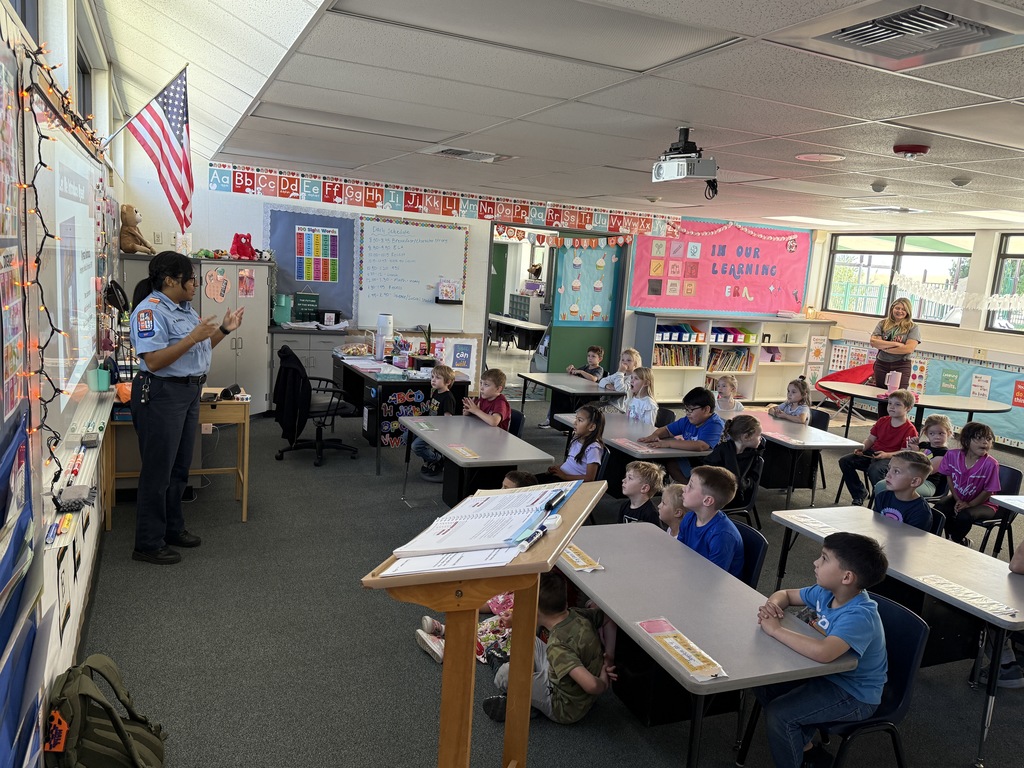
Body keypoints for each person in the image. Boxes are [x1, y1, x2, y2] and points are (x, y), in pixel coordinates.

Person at [128, 251, 245, 565]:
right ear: (170, 280)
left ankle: (172, 528)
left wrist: (223, 330)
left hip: (189, 393)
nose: (196, 283)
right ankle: (148, 542)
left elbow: (198, 349)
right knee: (158, 472)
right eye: (191, 278)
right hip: (162, 395)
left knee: (180, 468)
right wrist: (192, 337)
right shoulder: (150, 312)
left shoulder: (185, 310)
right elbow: (153, 360)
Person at [754, 532, 889, 768]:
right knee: (760, 680)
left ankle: (796, 752)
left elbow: (824, 653)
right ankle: (805, 748)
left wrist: (775, 630)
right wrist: (772, 608)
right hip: (822, 674)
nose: (815, 562)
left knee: (780, 716)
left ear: (846, 577)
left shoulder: (859, 615)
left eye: (824, 558)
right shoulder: (827, 591)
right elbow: (785, 594)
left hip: (855, 693)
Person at [483, 571, 615, 723]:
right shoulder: (577, 614)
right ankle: (527, 699)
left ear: (534, 610)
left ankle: (526, 705)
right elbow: (609, 618)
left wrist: (603, 683)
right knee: (526, 635)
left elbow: (591, 685)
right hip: (569, 682)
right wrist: (609, 657)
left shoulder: (557, 647)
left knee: (504, 676)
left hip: (564, 706)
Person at [838, 389, 917, 506]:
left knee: (875, 470)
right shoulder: (882, 421)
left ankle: (883, 501)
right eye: (890, 403)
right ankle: (859, 493)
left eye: (897, 404)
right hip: (873, 453)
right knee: (845, 461)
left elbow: (904, 453)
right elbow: (870, 439)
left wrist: (886, 455)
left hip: (892, 458)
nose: (892, 407)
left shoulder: (910, 429)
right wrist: (862, 448)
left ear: (908, 408)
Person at [932, 421, 1001, 546]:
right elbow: (949, 477)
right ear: (966, 440)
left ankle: (955, 542)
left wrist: (969, 504)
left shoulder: (991, 464)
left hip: (984, 504)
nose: (985, 442)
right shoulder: (952, 455)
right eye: (979, 438)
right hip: (960, 498)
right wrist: (958, 499)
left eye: (989, 439)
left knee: (964, 516)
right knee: (940, 509)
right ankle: (951, 540)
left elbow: (988, 491)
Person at [638, 386, 724, 484]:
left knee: (671, 462)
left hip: (709, 465)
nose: (687, 413)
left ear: (706, 409)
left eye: (691, 410)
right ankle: (686, 488)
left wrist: (669, 443)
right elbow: (667, 430)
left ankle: (689, 488)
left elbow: (701, 445)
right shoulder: (688, 420)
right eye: (686, 409)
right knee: (666, 461)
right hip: (692, 458)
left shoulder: (714, 424)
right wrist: (655, 435)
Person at [676, 465, 744, 578]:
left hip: (717, 588)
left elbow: (713, 578)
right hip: (693, 574)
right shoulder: (689, 517)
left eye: (691, 486)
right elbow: (680, 552)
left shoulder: (722, 536)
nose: (684, 488)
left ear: (707, 500)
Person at [875, 413, 950, 498]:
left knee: (891, 487)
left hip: (928, 483)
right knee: (881, 485)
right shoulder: (923, 445)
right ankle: (883, 509)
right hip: (910, 478)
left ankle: (894, 509)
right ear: (926, 434)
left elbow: (928, 470)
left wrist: (916, 452)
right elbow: (906, 460)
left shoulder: (944, 453)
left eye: (941, 433)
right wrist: (910, 447)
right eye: (932, 433)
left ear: (949, 433)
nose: (937, 437)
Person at [703, 414, 765, 510]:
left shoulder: (755, 455)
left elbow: (752, 481)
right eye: (759, 435)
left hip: (736, 496)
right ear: (746, 437)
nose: (760, 438)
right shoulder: (722, 450)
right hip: (714, 491)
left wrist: (741, 483)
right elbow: (707, 472)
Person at [539, 345, 604, 428]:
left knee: (566, 398)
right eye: (588, 356)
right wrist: (572, 370)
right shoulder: (585, 367)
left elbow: (594, 378)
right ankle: (550, 419)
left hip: (588, 395)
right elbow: (576, 372)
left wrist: (580, 371)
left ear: (600, 359)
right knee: (557, 394)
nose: (590, 358)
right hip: (577, 391)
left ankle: (568, 426)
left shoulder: (599, 369)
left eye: (593, 356)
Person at [537, 405, 605, 482]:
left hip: (569, 482)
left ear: (592, 427)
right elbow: (571, 463)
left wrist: (565, 476)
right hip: (562, 477)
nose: (575, 422)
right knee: (529, 480)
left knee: (531, 485)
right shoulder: (576, 439)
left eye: (580, 420)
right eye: (576, 419)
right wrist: (558, 468)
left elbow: (589, 478)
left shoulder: (593, 448)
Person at [870, 297, 921, 400]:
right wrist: (896, 344)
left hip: (901, 365)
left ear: (908, 312)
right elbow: (874, 342)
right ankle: (883, 417)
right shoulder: (883, 323)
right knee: (882, 397)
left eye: (903, 309)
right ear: (892, 308)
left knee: (899, 398)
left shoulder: (912, 327)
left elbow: (908, 349)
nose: (900, 311)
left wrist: (885, 347)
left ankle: (895, 417)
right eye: (897, 308)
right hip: (881, 364)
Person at [413, 364, 457, 482]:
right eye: (432, 377)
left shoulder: (448, 397)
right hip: (429, 425)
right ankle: (430, 458)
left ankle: (437, 459)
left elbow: (448, 420)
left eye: (437, 378)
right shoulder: (436, 392)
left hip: (437, 430)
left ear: (447, 382)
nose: (433, 380)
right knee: (407, 436)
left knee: (416, 446)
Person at [873, 451, 934, 531]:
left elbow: (913, 541)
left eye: (896, 471)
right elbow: (874, 526)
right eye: (889, 468)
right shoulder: (882, 497)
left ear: (914, 481)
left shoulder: (921, 512)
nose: (888, 474)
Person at [592, 348, 641, 414]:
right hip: (609, 403)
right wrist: (608, 385)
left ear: (635, 364)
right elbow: (602, 381)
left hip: (620, 408)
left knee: (594, 412)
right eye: (622, 360)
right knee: (588, 407)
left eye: (629, 360)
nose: (625, 362)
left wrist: (620, 372)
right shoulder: (619, 375)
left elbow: (621, 389)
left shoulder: (633, 378)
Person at [618, 460, 663, 525]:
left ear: (644, 488)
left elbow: (656, 534)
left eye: (630, 478)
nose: (623, 480)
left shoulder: (651, 513)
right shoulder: (624, 506)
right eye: (625, 477)